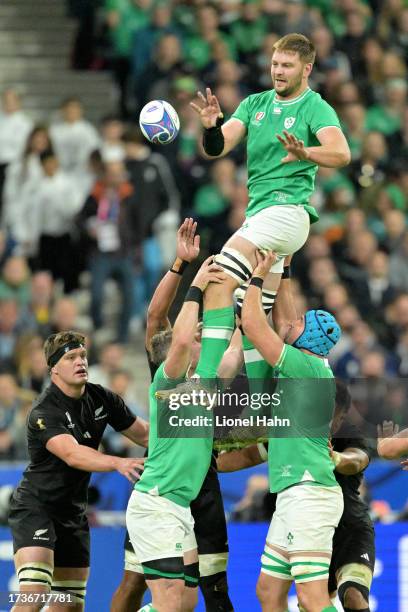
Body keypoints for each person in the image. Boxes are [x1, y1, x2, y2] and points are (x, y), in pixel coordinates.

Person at [182, 32, 350, 397]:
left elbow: (341, 153)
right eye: (275, 64)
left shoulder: (315, 107)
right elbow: (217, 147)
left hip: (287, 212)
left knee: (217, 280)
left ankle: (204, 381)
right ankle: (258, 402)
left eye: (287, 65)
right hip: (264, 216)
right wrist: (210, 127)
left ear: (306, 69)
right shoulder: (254, 103)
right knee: (249, 314)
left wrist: (307, 154)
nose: (278, 71)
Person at [111, 218, 236, 612]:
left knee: (182, 604)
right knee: (160, 598)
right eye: (199, 338)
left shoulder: (206, 384)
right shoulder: (165, 382)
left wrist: (255, 289)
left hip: (182, 501)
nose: (202, 339)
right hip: (158, 501)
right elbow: (172, 330)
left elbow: (233, 348)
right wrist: (194, 281)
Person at [8, 330, 148, 612]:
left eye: (83, 355)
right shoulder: (43, 411)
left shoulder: (102, 398)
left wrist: (190, 436)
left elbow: (145, 435)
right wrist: (118, 462)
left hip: (73, 513)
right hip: (37, 507)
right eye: (71, 357)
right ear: (53, 368)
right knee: (34, 595)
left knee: (69, 605)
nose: (80, 361)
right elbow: (72, 454)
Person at [239, 249, 343, 612]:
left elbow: (253, 326)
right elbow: (284, 318)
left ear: (308, 337)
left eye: (301, 322)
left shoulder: (303, 365)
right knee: (268, 591)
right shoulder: (310, 364)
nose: (292, 321)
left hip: (309, 492)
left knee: (313, 600)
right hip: (293, 491)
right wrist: (283, 270)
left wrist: (257, 276)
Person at [217, 380, 375, 612]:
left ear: (341, 418)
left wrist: (336, 459)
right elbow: (248, 457)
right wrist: (202, 460)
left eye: (333, 417)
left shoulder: (349, 436)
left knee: (351, 597)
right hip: (300, 518)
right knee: (270, 590)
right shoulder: (294, 428)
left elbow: (357, 459)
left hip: (347, 531)